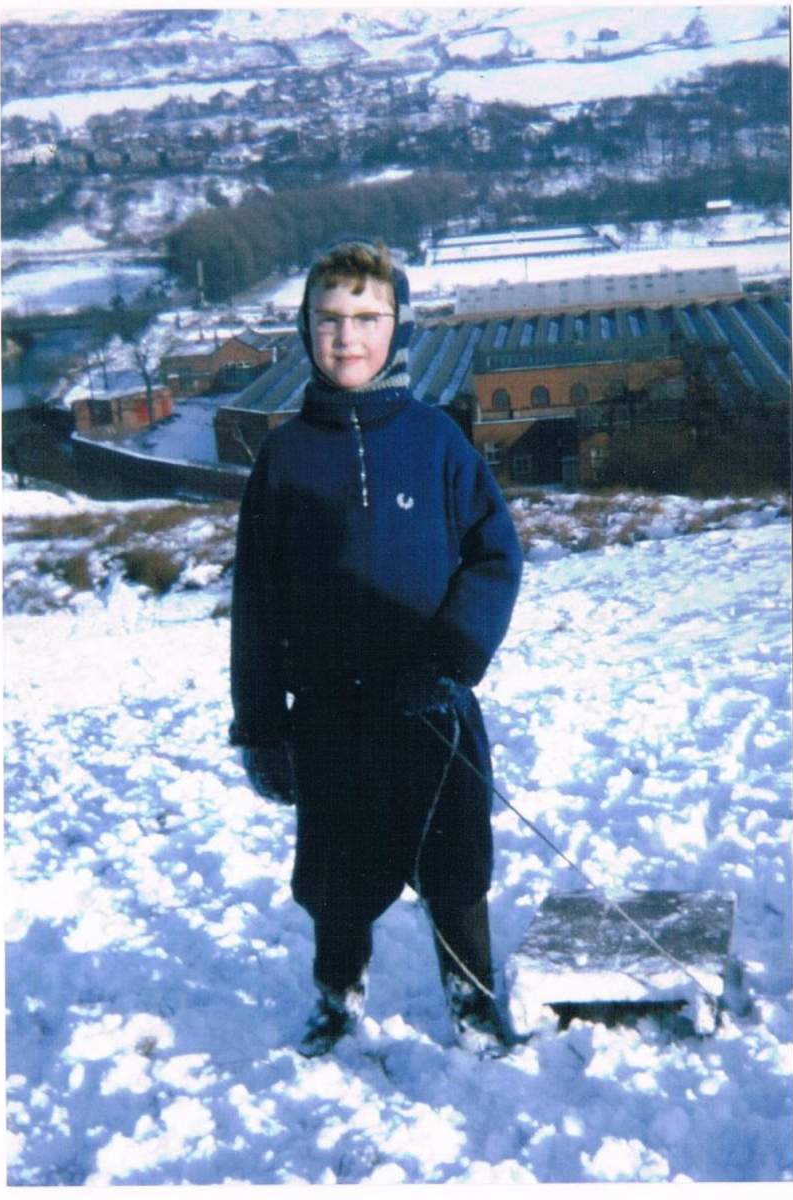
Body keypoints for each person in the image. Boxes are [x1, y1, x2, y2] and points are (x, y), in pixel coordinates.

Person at [229, 236, 522, 1057]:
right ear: (303, 330)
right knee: (335, 872)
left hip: (432, 703)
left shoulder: (435, 441)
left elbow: (495, 556)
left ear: (399, 326)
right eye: (328, 320)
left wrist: (451, 661)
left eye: (366, 317)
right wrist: (259, 723)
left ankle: (471, 1001)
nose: (347, 337)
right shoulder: (284, 459)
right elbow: (254, 603)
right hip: (331, 714)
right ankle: (336, 995)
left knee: (455, 863)